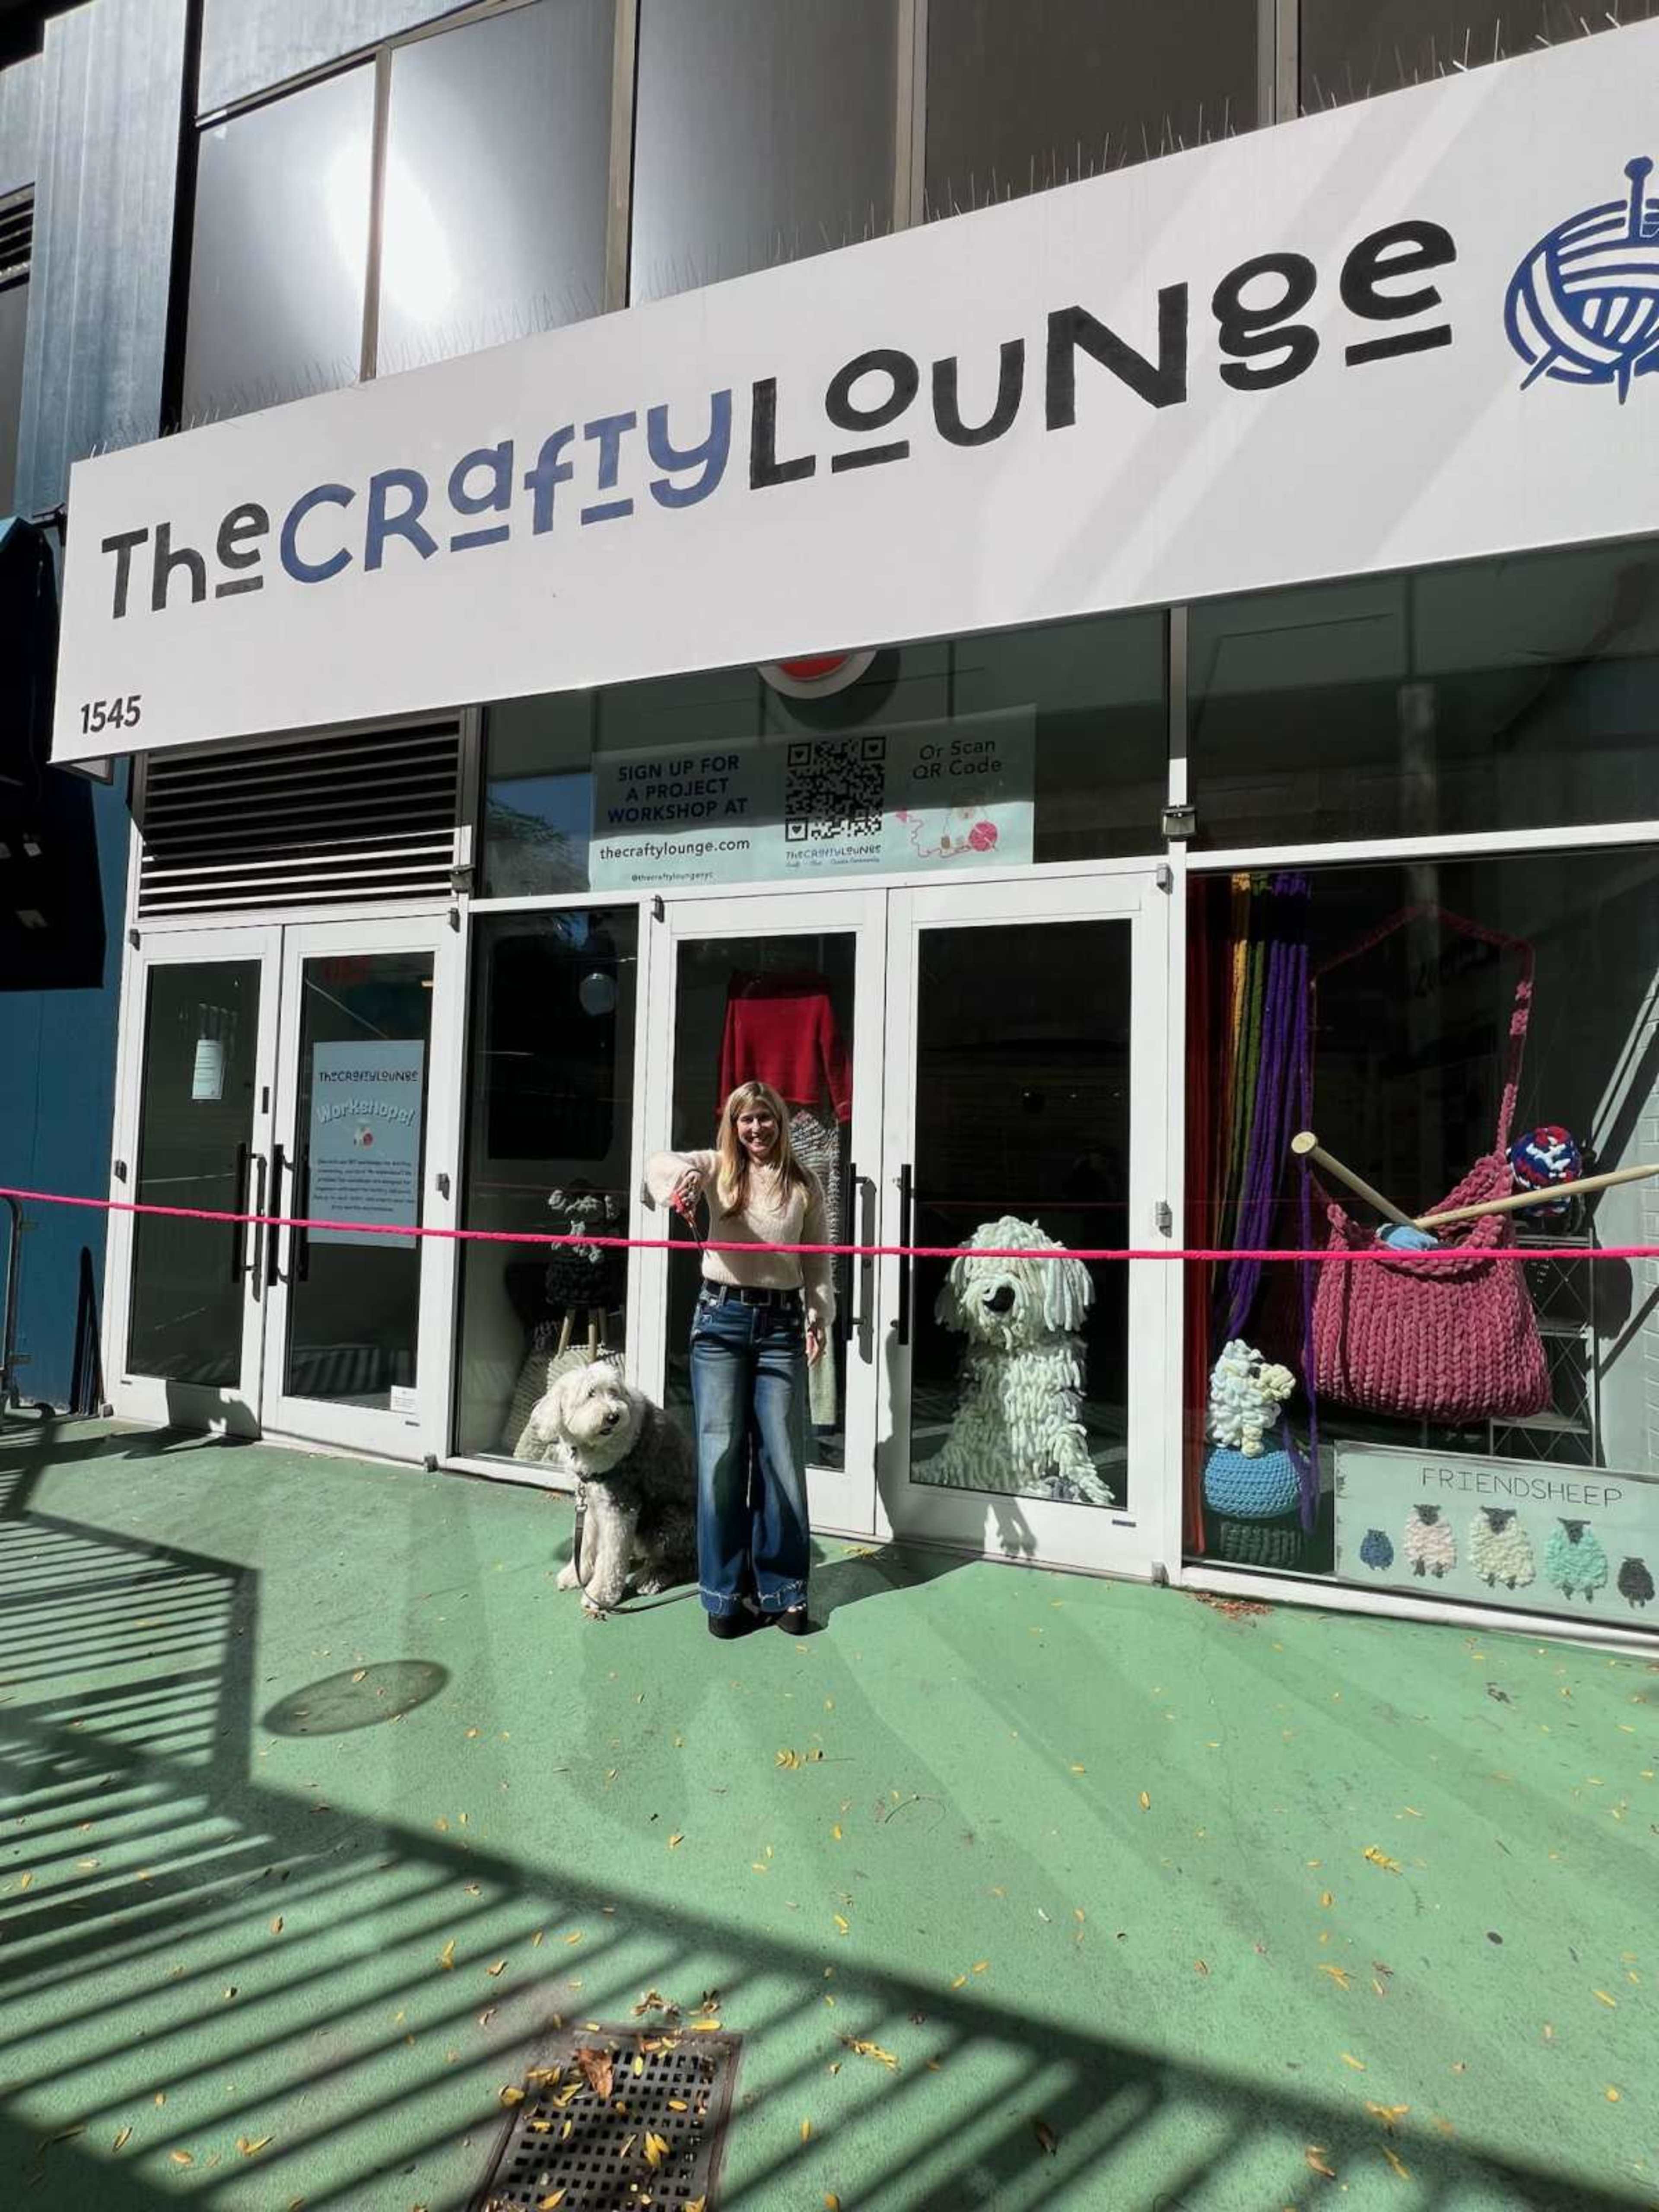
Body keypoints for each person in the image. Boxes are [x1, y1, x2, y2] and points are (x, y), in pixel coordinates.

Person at [647, 1080, 832, 1637]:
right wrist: (676, 1181)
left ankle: (785, 1591)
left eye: (766, 1119)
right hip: (720, 1321)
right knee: (722, 1457)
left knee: (780, 1456)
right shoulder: (716, 1168)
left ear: (781, 1123)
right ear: (734, 1125)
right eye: (746, 1120)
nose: (756, 1130)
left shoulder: (805, 1184)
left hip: (780, 1324)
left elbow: (819, 1260)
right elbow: (658, 1163)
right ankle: (723, 1597)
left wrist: (818, 1315)